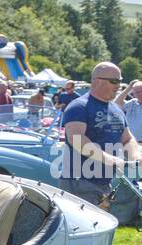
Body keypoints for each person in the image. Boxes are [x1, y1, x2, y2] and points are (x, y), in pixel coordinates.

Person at [59, 61, 137, 206]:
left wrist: (136, 159)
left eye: (120, 81)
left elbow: (127, 139)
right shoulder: (79, 106)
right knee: (83, 227)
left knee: (104, 227)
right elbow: (77, 139)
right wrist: (111, 159)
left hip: (104, 183)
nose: (118, 86)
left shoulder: (116, 110)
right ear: (96, 81)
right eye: (114, 81)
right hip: (79, 182)